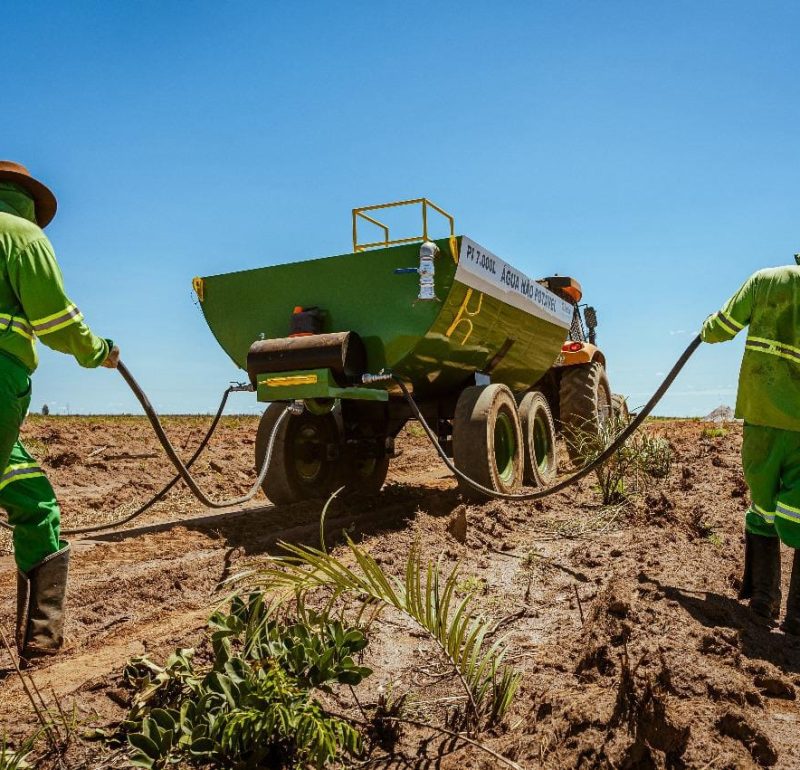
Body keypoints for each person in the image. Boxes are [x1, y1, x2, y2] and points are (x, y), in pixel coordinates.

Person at [0, 160, 119, 661]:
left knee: (31, 497)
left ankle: (41, 641)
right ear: (26, 199)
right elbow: (55, 318)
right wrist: (99, 351)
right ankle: (40, 644)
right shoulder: (20, 234)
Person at [702, 255, 800, 634]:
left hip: (762, 416)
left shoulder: (765, 280)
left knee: (763, 507)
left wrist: (705, 329)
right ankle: (797, 621)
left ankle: (763, 602)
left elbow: (723, 327)